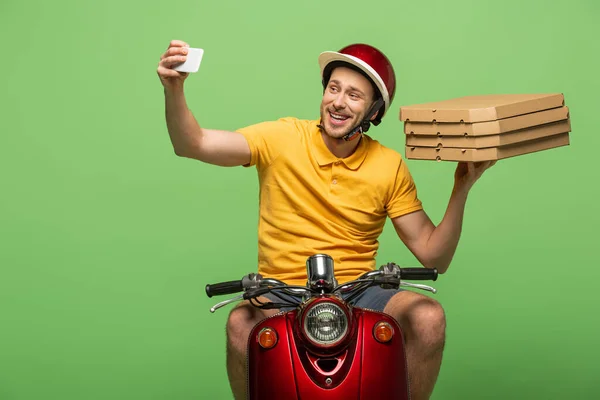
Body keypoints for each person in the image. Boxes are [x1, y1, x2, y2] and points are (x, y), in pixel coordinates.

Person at [157, 39, 495, 400]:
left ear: (374, 111)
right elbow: (192, 143)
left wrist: (461, 188)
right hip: (281, 290)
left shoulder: (388, 165)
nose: (338, 101)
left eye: (354, 95)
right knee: (241, 323)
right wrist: (174, 89)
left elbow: (434, 256)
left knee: (428, 317)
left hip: (361, 291)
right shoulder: (282, 137)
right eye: (333, 88)